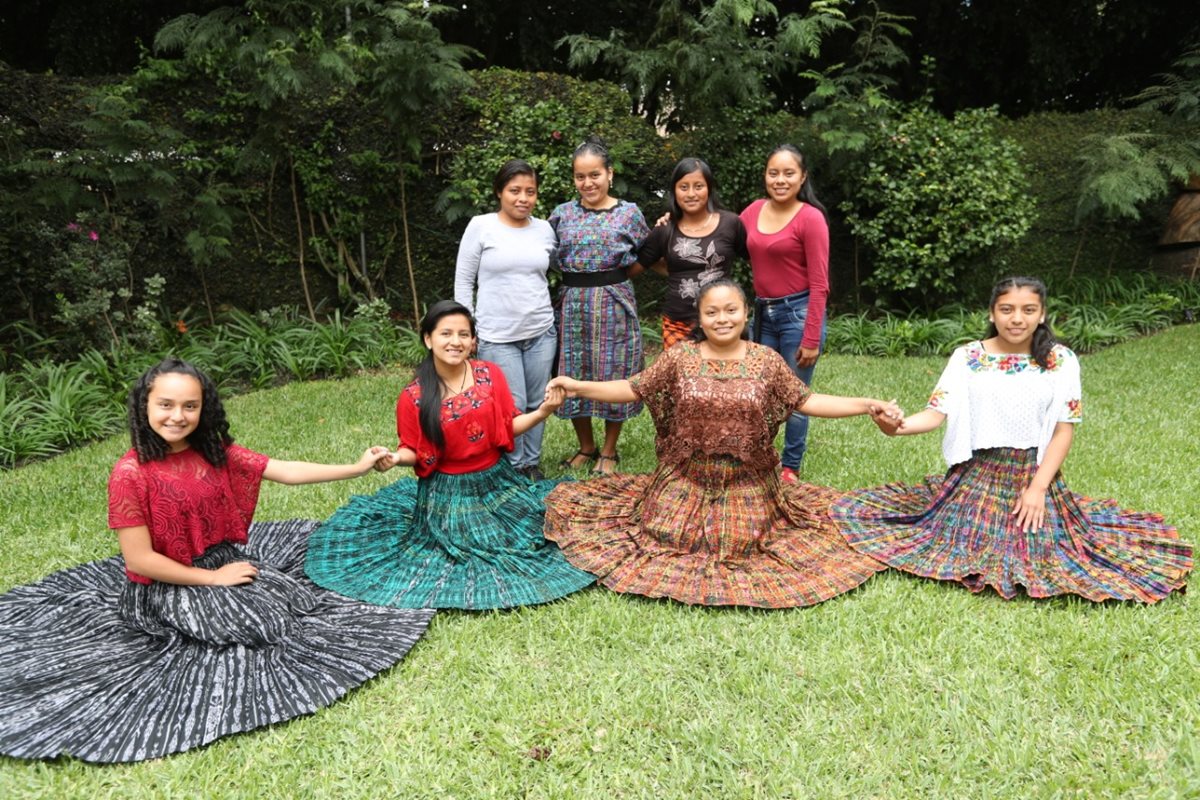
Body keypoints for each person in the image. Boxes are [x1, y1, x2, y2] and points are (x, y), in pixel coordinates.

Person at [0, 358, 433, 763]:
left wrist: (354, 468)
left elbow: (283, 470)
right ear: (144, 406)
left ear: (203, 409)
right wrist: (212, 580)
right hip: (167, 584)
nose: (177, 416)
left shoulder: (212, 449)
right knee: (256, 626)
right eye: (165, 404)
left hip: (220, 559)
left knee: (290, 603)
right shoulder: (129, 474)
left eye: (190, 405)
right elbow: (140, 560)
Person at [832, 276, 1193, 603]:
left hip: (1033, 473)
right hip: (977, 475)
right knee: (963, 543)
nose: (1016, 318)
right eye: (1007, 309)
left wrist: (1037, 490)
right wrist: (895, 426)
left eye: (1027, 310)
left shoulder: (1060, 360)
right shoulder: (968, 357)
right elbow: (935, 414)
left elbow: (1063, 431)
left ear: (1042, 314)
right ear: (992, 313)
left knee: (1041, 551)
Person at [542, 280, 900, 608]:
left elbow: (807, 401)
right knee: (667, 534)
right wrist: (577, 385)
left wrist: (866, 404)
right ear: (699, 317)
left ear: (746, 314)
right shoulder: (680, 357)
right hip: (685, 476)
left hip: (747, 480)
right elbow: (634, 388)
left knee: (740, 541)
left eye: (731, 310)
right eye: (711, 312)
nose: (722, 319)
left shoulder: (766, 361)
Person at [305, 300, 595, 609]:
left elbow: (506, 428)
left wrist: (543, 411)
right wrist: (393, 459)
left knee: (533, 534)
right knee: (473, 549)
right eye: (446, 333)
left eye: (463, 334)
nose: (455, 341)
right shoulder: (413, 397)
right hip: (449, 493)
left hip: (498, 481)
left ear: (473, 342)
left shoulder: (490, 374)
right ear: (428, 339)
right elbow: (414, 451)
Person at [549, 135, 650, 475]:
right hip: (573, 305)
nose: (588, 183)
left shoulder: (629, 214)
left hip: (614, 303)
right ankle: (586, 446)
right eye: (580, 176)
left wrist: (618, 278)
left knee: (613, 373)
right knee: (573, 372)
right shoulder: (561, 214)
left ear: (610, 173)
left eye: (595, 175)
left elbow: (647, 254)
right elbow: (545, 256)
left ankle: (609, 449)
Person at [454, 159, 558, 480]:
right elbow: (463, 280)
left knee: (539, 400)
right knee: (510, 403)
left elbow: (559, 269)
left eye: (530, 192)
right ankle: (513, 465)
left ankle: (532, 462)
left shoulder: (544, 229)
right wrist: (465, 330)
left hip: (541, 332)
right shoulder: (481, 226)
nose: (523, 198)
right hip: (497, 336)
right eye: (515, 191)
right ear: (500, 192)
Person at [740, 144, 830, 484]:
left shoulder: (810, 218)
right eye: (773, 172)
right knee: (759, 390)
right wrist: (672, 220)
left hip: (798, 313)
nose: (780, 180)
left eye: (788, 173)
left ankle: (790, 467)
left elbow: (821, 284)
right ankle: (759, 458)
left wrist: (811, 336)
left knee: (794, 396)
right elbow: (716, 230)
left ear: (802, 177)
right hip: (762, 315)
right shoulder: (751, 212)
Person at [638, 157, 747, 349]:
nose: (691, 194)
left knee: (723, 378)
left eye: (698, 186)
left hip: (722, 324)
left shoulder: (731, 223)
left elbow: (756, 257)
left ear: (709, 188)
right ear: (674, 191)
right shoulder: (665, 229)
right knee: (679, 379)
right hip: (677, 324)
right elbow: (640, 262)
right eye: (683, 187)